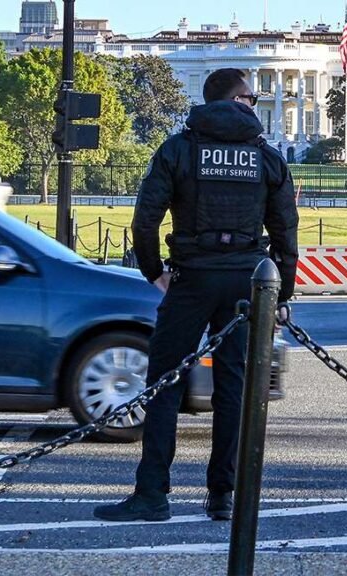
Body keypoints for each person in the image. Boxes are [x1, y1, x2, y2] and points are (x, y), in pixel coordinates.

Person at [94, 68, 299, 523]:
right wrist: (281, 292)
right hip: (247, 281)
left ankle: (152, 495)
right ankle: (223, 495)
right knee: (233, 388)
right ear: (235, 99)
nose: (253, 102)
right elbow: (285, 230)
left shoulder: (179, 150)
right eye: (250, 95)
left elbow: (144, 221)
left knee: (164, 385)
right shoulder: (266, 157)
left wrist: (154, 273)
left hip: (191, 277)